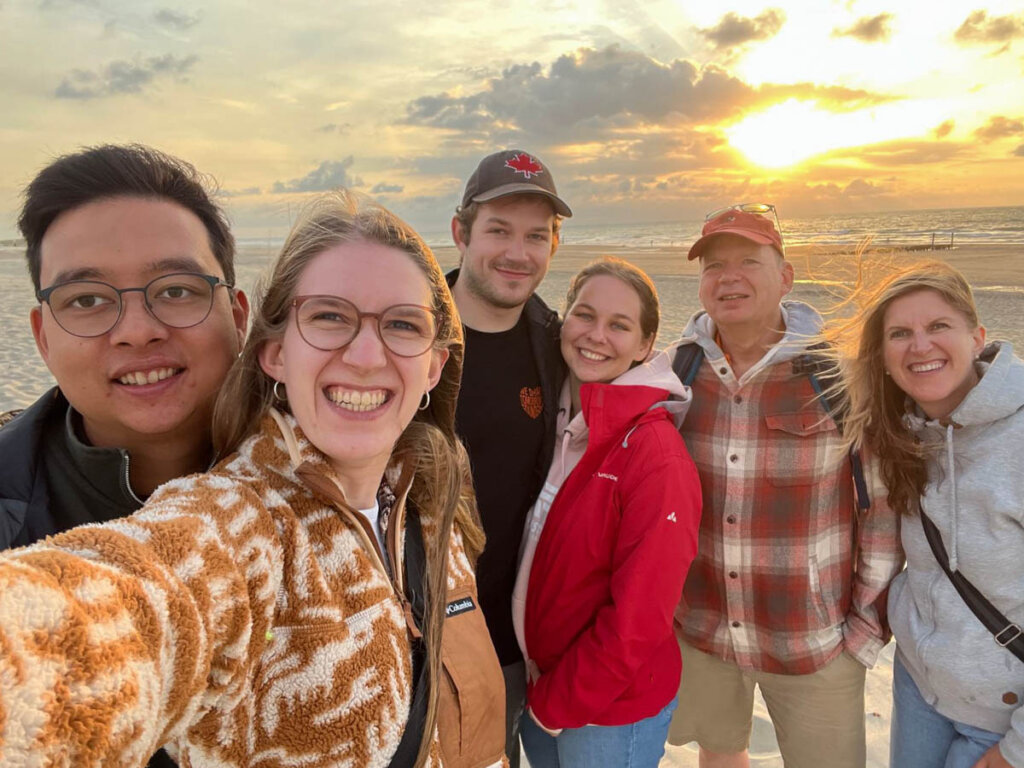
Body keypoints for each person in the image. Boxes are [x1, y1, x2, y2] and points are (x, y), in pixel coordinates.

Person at [0, 190, 506, 768]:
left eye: (402, 324)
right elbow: (109, 620)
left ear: (434, 366)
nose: (367, 355)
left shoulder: (432, 488)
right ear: (273, 354)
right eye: (329, 317)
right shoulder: (239, 524)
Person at [0, 143, 250, 768]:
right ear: (42, 336)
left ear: (239, 315)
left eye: (177, 289)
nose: (138, 329)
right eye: (86, 300)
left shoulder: (340, 496)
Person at [663, 205, 903, 768]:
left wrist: (864, 632)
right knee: (720, 753)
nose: (729, 277)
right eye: (714, 265)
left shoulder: (839, 375)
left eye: (749, 260)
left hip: (813, 642)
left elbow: (882, 510)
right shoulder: (676, 372)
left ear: (785, 276)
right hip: (702, 629)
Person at [827, 260, 1024, 768]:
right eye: (900, 333)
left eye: (938, 326)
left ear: (977, 336)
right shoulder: (902, 434)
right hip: (920, 687)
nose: (920, 345)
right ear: (885, 357)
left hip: (1003, 717)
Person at [510, 258, 702, 767]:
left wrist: (558, 703)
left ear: (645, 346)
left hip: (608, 711)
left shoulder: (653, 453)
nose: (596, 335)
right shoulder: (555, 421)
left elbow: (640, 617)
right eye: (585, 315)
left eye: (619, 325)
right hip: (542, 683)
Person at [448, 148, 571, 766]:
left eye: (536, 236)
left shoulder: (559, 347)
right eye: (498, 230)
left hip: (515, 639)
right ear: (461, 234)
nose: (517, 253)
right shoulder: (401, 334)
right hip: (413, 638)